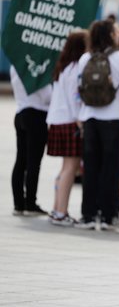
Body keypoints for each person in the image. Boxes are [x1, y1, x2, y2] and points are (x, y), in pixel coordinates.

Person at [76, 19, 119, 229]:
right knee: (111, 169)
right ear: (111, 35)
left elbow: (79, 91)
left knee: (90, 168)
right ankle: (109, 215)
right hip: (113, 119)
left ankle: (88, 215)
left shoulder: (85, 58)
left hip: (90, 118)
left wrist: (80, 118)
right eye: (116, 31)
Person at [46, 30, 88, 226]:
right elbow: (75, 98)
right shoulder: (77, 67)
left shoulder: (63, 67)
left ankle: (57, 209)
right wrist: (80, 121)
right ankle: (61, 212)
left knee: (65, 168)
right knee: (70, 168)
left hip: (57, 120)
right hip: (70, 121)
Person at [10, 66, 51, 216]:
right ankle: (30, 203)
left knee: (21, 160)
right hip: (37, 114)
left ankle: (18, 203)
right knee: (34, 162)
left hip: (20, 111)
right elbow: (46, 95)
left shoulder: (15, 66)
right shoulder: (37, 68)